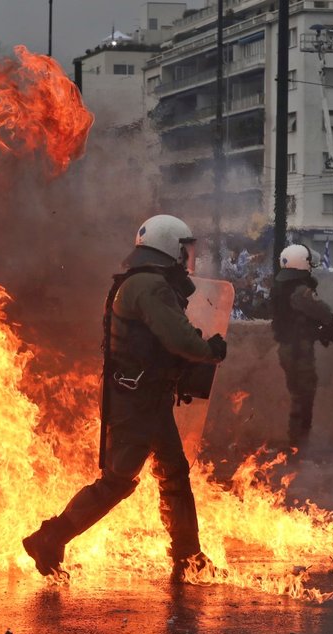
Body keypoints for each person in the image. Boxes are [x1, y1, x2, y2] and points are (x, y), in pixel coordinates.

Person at [23, 214, 228, 582]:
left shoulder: (141, 282)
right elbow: (178, 339)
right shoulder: (151, 286)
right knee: (119, 481)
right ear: (168, 248)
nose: (187, 258)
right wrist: (208, 349)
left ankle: (188, 557)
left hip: (143, 396)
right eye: (183, 250)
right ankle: (50, 537)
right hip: (139, 401)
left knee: (174, 474)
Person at [271, 244, 333, 454]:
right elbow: (322, 311)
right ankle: (299, 445)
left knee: (298, 394)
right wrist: (330, 323)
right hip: (298, 350)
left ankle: (298, 443)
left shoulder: (281, 287)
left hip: (289, 347)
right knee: (303, 395)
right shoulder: (300, 291)